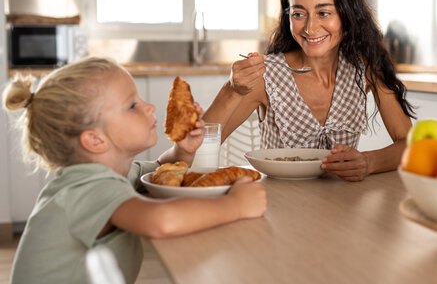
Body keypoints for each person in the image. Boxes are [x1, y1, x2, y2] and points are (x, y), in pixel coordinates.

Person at [2, 57, 267, 284]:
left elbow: (162, 173)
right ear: (95, 140)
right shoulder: (87, 188)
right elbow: (161, 221)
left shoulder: (109, 174)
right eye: (132, 106)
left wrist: (184, 150)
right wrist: (236, 206)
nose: (149, 107)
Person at [203, 0, 415, 182]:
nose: (310, 28)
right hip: (277, 204)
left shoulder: (367, 68)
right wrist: (232, 89)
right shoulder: (266, 77)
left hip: (342, 203)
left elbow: (410, 143)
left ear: (348, 14)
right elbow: (196, 149)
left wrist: (368, 162)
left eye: (324, 13)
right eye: (298, 14)